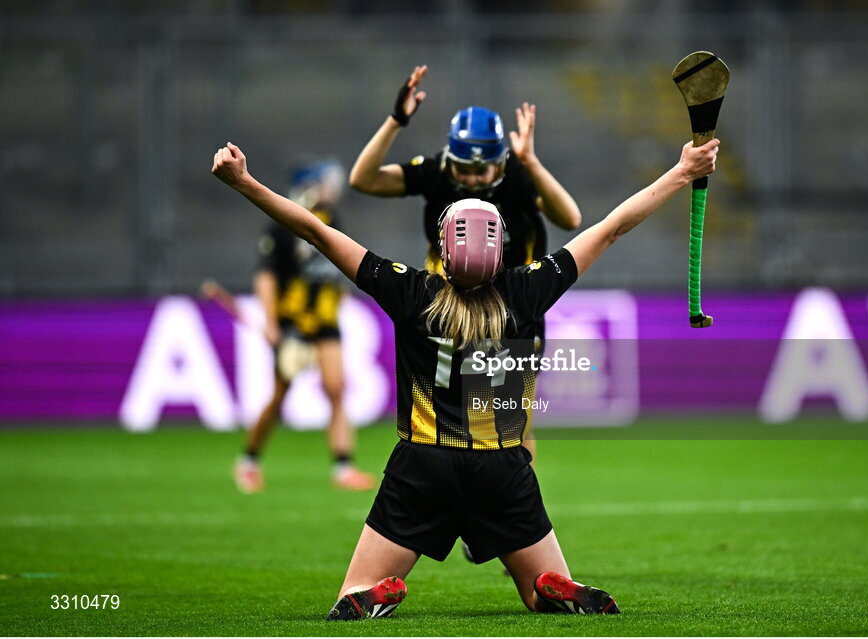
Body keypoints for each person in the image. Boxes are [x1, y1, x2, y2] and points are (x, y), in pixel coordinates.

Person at [211, 134, 719, 619]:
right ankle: (548, 584)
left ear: (444, 247)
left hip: (422, 467)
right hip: (503, 469)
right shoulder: (526, 292)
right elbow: (610, 227)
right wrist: (682, 171)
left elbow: (316, 231)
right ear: (500, 247)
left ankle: (376, 592)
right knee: (536, 594)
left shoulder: (411, 292)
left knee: (353, 591)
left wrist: (244, 183)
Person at [349, 65, 581, 469]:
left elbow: (570, 218)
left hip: (512, 313)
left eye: (482, 170)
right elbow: (363, 180)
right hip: (449, 310)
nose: (473, 179)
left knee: (512, 425)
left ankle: (512, 501)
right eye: (464, 169)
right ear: (450, 159)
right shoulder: (436, 173)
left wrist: (531, 162)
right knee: (442, 423)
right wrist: (396, 121)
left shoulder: (518, 177)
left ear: (501, 162)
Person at [233, 159, 375, 493]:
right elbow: (266, 276)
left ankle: (343, 466)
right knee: (279, 399)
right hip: (293, 324)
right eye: (324, 184)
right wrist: (271, 323)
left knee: (336, 389)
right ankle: (249, 460)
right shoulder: (282, 225)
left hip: (325, 322)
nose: (331, 190)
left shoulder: (332, 220)